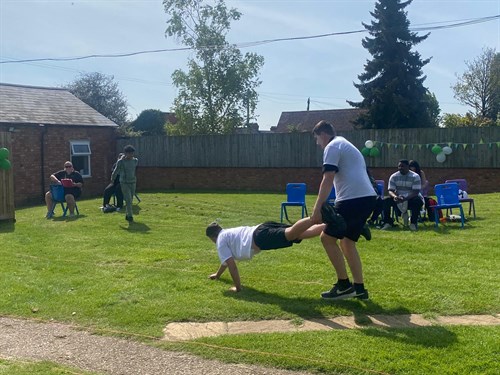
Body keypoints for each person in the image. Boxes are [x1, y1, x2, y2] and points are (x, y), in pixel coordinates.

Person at [311, 121, 377, 300]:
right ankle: (359, 288)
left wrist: (317, 208)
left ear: (323, 134)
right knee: (347, 242)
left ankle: (343, 285)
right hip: (367, 198)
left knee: (326, 238)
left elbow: (328, 178)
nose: (318, 143)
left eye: (317, 139)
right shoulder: (345, 144)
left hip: (353, 198)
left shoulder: (332, 146)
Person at [206, 217, 325, 292]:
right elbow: (226, 262)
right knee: (297, 233)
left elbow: (232, 266)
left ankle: (316, 217)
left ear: (212, 237)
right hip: (263, 227)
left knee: (293, 233)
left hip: (260, 238)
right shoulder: (226, 233)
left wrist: (238, 288)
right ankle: (328, 224)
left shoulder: (220, 241)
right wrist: (217, 275)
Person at [380, 159, 423, 231]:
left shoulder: (415, 176)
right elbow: (390, 190)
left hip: (410, 198)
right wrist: (395, 197)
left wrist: (405, 198)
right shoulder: (394, 176)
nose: (400, 168)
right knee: (385, 200)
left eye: (402, 166)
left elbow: (415, 192)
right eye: (399, 166)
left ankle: (413, 223)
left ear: (407, 167)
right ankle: (388, 222)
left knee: (418, 201)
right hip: (398, 198)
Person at [111, 145, 138, 222]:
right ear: (125, 153)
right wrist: (112, 179)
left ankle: (127, 214)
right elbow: (115, 171)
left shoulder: (135, 161)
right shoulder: (121, 162)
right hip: (124, 183)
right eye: (129, 153)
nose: (131, 155)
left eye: (132, 153)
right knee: (128, 200)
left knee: (131, 200)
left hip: (132, 182)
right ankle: (130, 216)